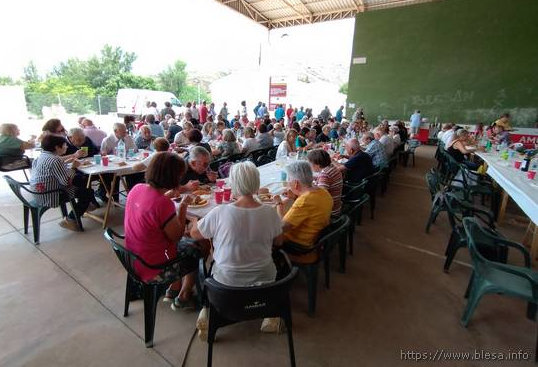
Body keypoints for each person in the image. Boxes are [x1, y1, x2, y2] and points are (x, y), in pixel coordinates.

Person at [125, 152, 206, 309]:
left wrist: (167, 196)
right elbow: (176, 236)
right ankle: (185, 293)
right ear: (172, 176)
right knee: (199, 245)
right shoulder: (162, 203)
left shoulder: (137, 188)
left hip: (132, 257)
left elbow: (150, 208)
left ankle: (174, 288)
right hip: (154, 267)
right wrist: (183, 206)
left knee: (188, 241)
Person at [30, 134, 95, 231]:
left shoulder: (41, 157)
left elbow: (53, 170)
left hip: (37, 191)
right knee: (87, 192)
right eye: (64, 145)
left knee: (80, 180)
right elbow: (66, 182)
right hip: (51, 194)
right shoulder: (55, 160)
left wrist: (66, 163)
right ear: (57, 147)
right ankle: (70, 219)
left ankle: (86, 205)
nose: (67, 146)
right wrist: (73, 167)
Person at [273, 161, 332, 264]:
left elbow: (282, 227)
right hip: (317, 239)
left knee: (265, 235)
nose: (288, 184)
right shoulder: (323, 192)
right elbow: (309, 210)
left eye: (288, 180)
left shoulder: (305, 201)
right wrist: (296, 197)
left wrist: (279, 204)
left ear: (295, 183)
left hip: (301, 247)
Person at [307, 149, 343, 218]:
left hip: (330, 212)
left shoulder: (325, 175)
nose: (309, 166)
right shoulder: (331, 167)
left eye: (310, 163)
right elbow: (324, 179)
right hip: (337, 205)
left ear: (317, 165)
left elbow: (320, 196)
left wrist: (306, 187)